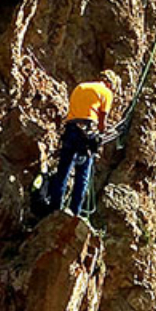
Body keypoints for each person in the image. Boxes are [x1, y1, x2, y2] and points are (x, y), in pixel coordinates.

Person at [47, 69, 119, 217]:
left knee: (63, 171)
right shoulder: (106, 93)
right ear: (110, 84)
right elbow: (102, 123)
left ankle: (54, 209)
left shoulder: (81, 87)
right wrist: (103, 132)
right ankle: (75, 212)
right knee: (83, 174)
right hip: (87, 133)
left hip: (71, 129)